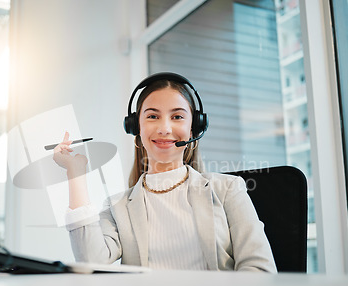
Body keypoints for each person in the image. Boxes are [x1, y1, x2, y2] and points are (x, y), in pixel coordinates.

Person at [53, 72, 277, 273]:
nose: (164, 128)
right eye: (152, 116)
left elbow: (259, 269)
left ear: (194, 128)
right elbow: (91, 261)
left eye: (177, 116)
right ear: (136, 128)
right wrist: (75, 172)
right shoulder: (118, 207)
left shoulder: (228, 190)